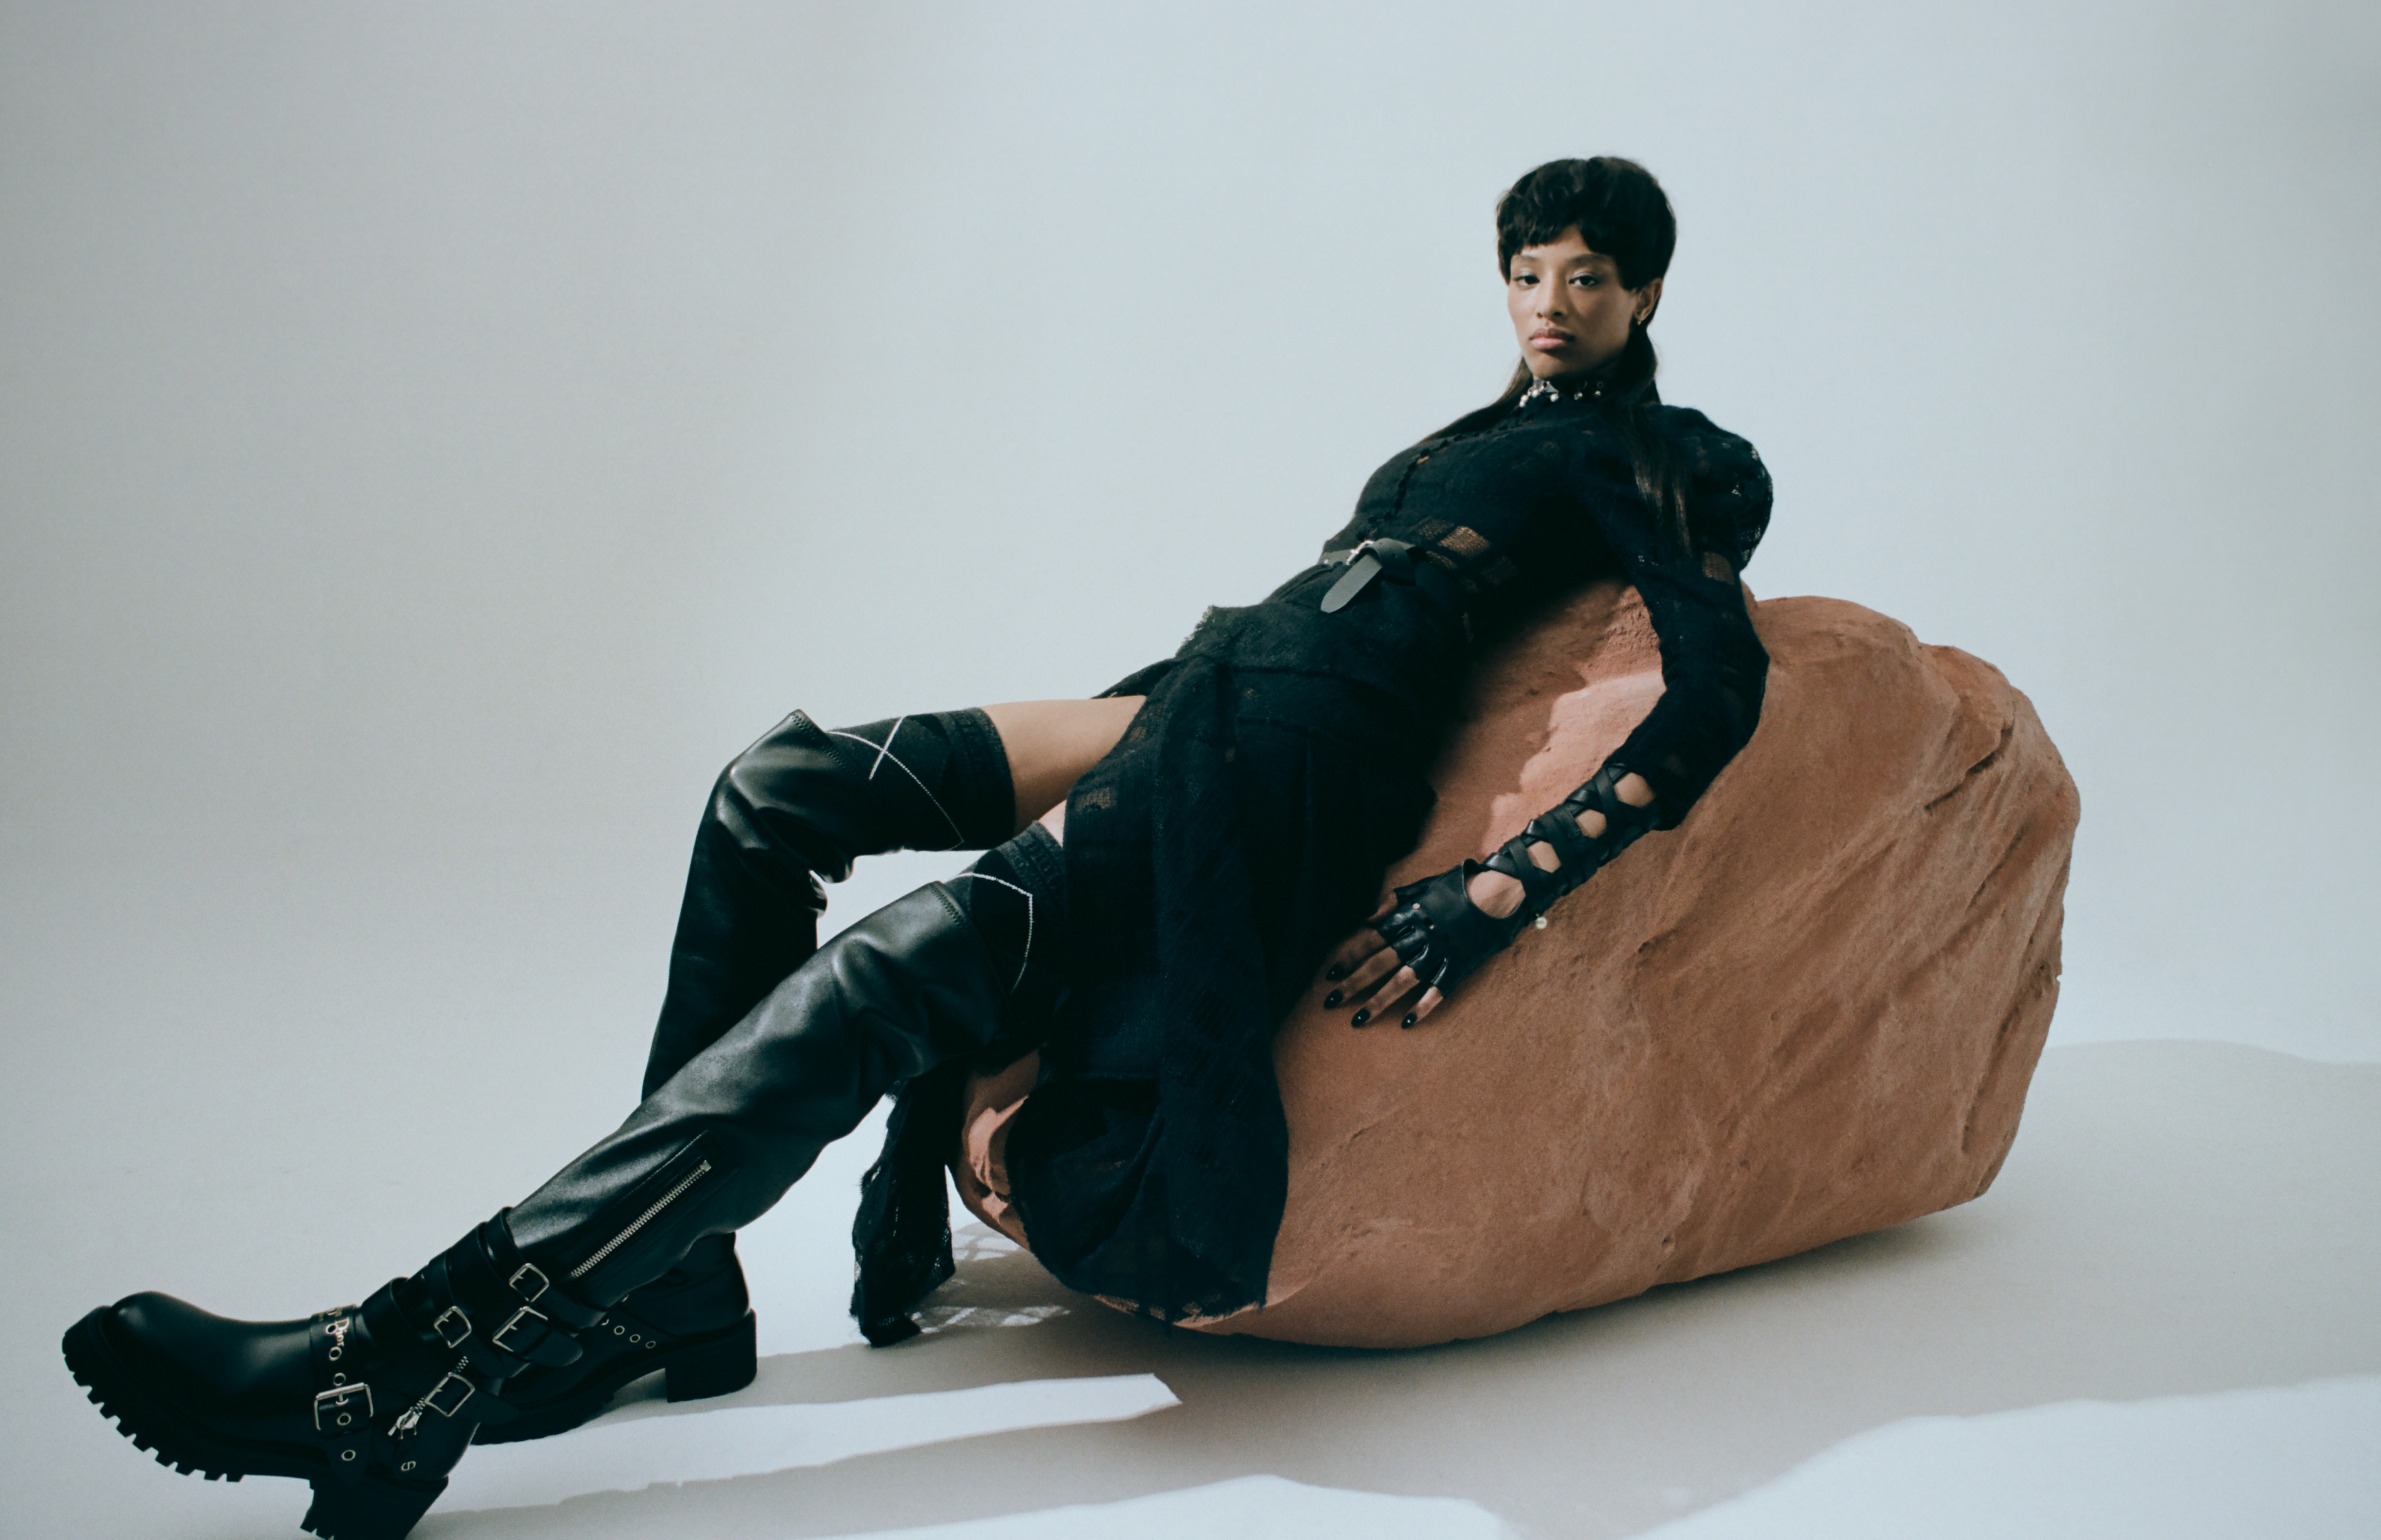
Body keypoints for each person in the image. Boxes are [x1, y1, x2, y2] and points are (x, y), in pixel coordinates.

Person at [63, 156, 1773, 1540]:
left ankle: (406, 1367)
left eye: (1589, 279)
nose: (1552, 303)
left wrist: (1500, 889)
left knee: (890, 976)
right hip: (1202, 693)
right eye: (1528, 272)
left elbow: (1717, 688)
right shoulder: (1474, 436)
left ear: (1647, 296)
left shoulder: (1654, 455)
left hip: (1289, 759)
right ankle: (675, 1291)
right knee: (774, 790)